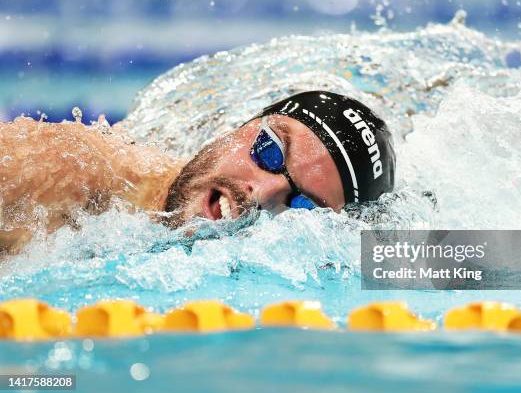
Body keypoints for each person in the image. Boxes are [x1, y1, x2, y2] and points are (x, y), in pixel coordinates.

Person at [0, 91, 395, 255]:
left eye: (303, 205)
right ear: (243, 123)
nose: (262, 192)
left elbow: (448, 262)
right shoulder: (62, 174)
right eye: (270, 151)